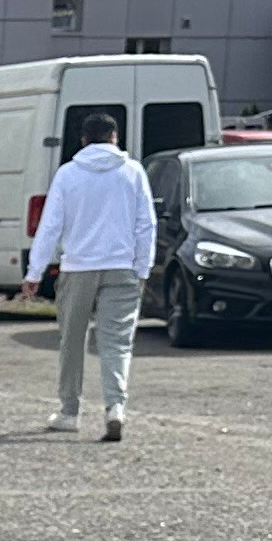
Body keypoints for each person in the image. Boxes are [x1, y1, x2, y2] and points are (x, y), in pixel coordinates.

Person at [30, 108, 156, 442]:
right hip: (122, 266)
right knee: (116, 342)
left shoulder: (68, 174)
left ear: (83, 140)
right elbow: (147, 224)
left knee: (72, 341)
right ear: (115, 137)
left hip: (78, 267)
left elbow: (51, 225)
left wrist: (34, 271)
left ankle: (69, 411)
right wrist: (142, 267)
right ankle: (116, 406)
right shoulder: (133, 171)